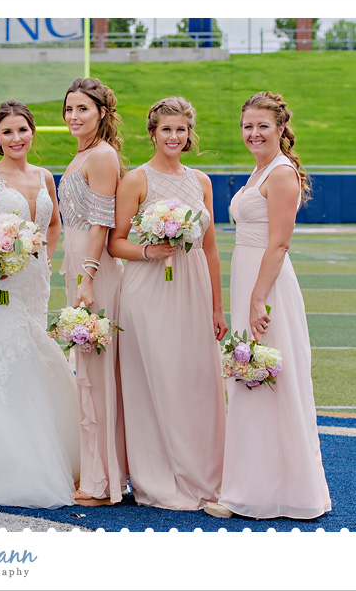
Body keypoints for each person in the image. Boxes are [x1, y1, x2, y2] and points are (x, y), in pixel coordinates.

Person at [0, 100, 80, 509]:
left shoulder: (44, 177)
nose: (16, 138)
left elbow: (53, 223)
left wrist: (42, 255)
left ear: (32, 133)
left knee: (36, 350)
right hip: (0, 283)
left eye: (22, 130)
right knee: (6, 351)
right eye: (7, 132)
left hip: (34, 281)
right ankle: (1, 459)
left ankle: (48, 448)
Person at [205, 92, 331, 520]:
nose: (254, 133)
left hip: (267, 285)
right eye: (247, 126)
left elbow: (279, 243)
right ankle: (251, 487)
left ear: (281, 128)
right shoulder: (260, 169)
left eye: (262, 125)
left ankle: (267, 494)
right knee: (249, 376)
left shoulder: (280, 174)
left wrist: (259, 297)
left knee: (267, 375)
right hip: (249, 279)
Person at [108, 97, 227, 510]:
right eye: (166, 130)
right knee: (157, 379)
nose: (174, 137)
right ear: (153, 133)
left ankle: (205, 474)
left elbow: (210, 250)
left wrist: (217, 307)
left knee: (197, 380)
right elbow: (115, 242)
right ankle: (158, 477)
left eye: (181, 130)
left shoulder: (202, 182)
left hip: (193, 290)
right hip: (148, 291)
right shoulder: (136, 180)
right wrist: (149, 252)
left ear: (188, 133)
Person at [58, 77, 127, 506]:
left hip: (94, 270)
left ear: (101, 112)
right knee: (87, 372)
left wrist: (86, 276)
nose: (73, 116)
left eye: (82, 108)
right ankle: (100, 472)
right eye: (68, 109)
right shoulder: (83, 153)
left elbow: (102, 221)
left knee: (96, 375)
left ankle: (101, 482)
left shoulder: (102, 156)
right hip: (78, 264)